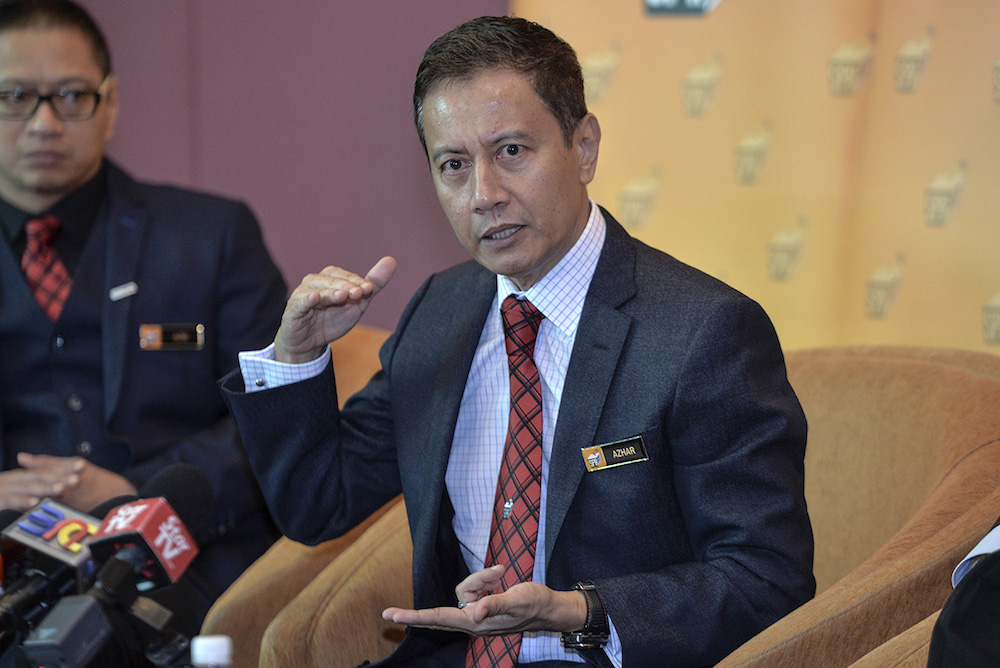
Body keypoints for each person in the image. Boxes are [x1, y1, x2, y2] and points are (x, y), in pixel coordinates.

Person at [222, 15, 814, 667]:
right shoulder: (439, 313)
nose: (484, 195)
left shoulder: (702, 331)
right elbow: (318, 507)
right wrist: (298, 359)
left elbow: (768, 582)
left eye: (511, 152)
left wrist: (583, 612)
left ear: (583, 147)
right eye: (453, 165)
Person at [0, 0, 287, 614]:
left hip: (185, 571)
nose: (44, 123)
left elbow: (274, 419)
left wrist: (134, 489)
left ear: (111, 105)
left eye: (72, 96)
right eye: (15, 96)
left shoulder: (211, 237)